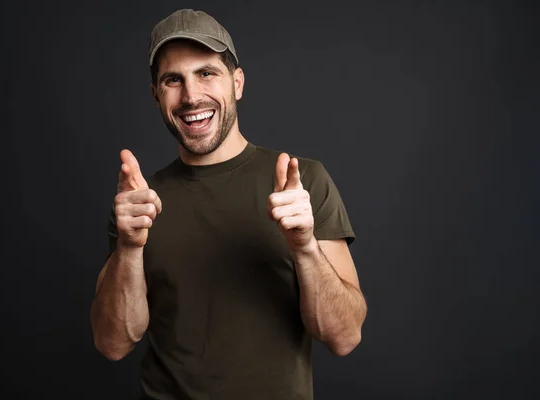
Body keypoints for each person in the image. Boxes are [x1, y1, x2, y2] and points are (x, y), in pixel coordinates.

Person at [90, 8, 367, 400]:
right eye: (173, 79)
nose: (190, 96)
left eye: (207, 73)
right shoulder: (139, 202)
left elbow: (344, 337)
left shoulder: (301, 181)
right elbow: (112, 343)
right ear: (156, 96)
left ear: (236, 83)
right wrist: (129, 248)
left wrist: (305, 248)